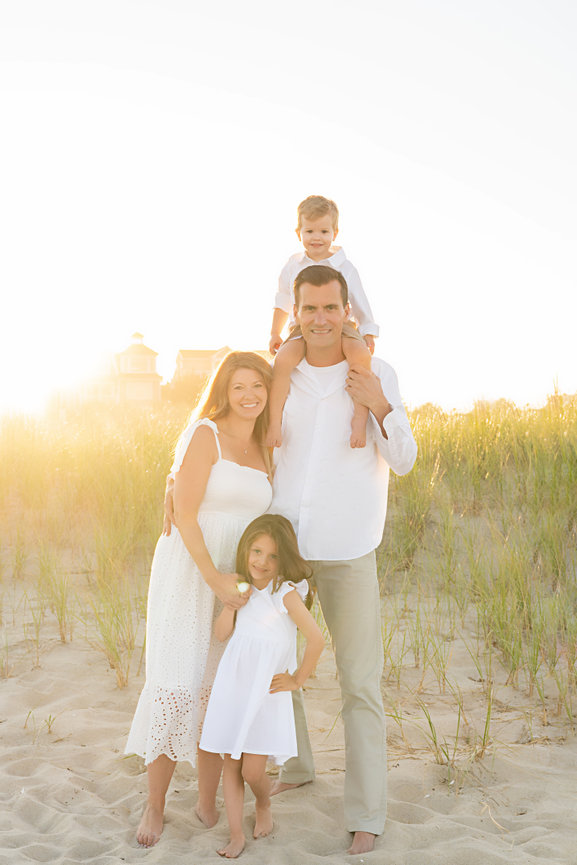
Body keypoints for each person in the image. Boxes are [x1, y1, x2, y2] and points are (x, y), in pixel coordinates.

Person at [268, 264, 417, 855]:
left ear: (347, 309)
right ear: (296, 311)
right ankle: (297, 765)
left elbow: (403, 458)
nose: (321, 320)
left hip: (349, 545)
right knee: (277, 665)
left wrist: (380, 405)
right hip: (284, 546)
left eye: (331, 308)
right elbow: (229, 426)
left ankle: (366, 812)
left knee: (359, 683)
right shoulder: (280, 373)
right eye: (310, 309)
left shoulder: (375, 372)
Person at [125, 351, 273, 848]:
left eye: (259, 386)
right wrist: (213, 578)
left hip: (237, 577)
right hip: (193, 570)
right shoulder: (204, 433)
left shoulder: (265, 446)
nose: (250, 395)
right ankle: (155, 804)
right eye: (239, 387)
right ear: (223, 391)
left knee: (216, 689)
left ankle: (207, 800)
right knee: (177, 682)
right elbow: (185, 513)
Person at [199, 514, 325, 859]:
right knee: (231, 762)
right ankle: (236, 834)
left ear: (283, 559)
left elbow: (316, 640)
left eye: (272, 556)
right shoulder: (241, 588)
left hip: (266, 693)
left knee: (254, 770)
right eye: (256, 551)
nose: (262, 562)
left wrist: (297, 679)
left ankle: (264, 802)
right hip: (234, 689)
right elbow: (222, 635)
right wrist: (229, 606)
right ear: (246, 551)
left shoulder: (285, 594)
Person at [267, 195, 379, 449]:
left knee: (360, 356)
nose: (316, 237)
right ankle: (274, 422)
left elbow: (359, 300)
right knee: (282, 361)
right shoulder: (292, 266)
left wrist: (368, 331)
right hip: (301, 328)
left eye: (323, 231)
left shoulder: (345, 267)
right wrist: (275, 332)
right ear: (298, 233)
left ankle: (359, 419)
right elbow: (283, 299)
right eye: (309, 231)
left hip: (342, 327)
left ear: (335, 233)